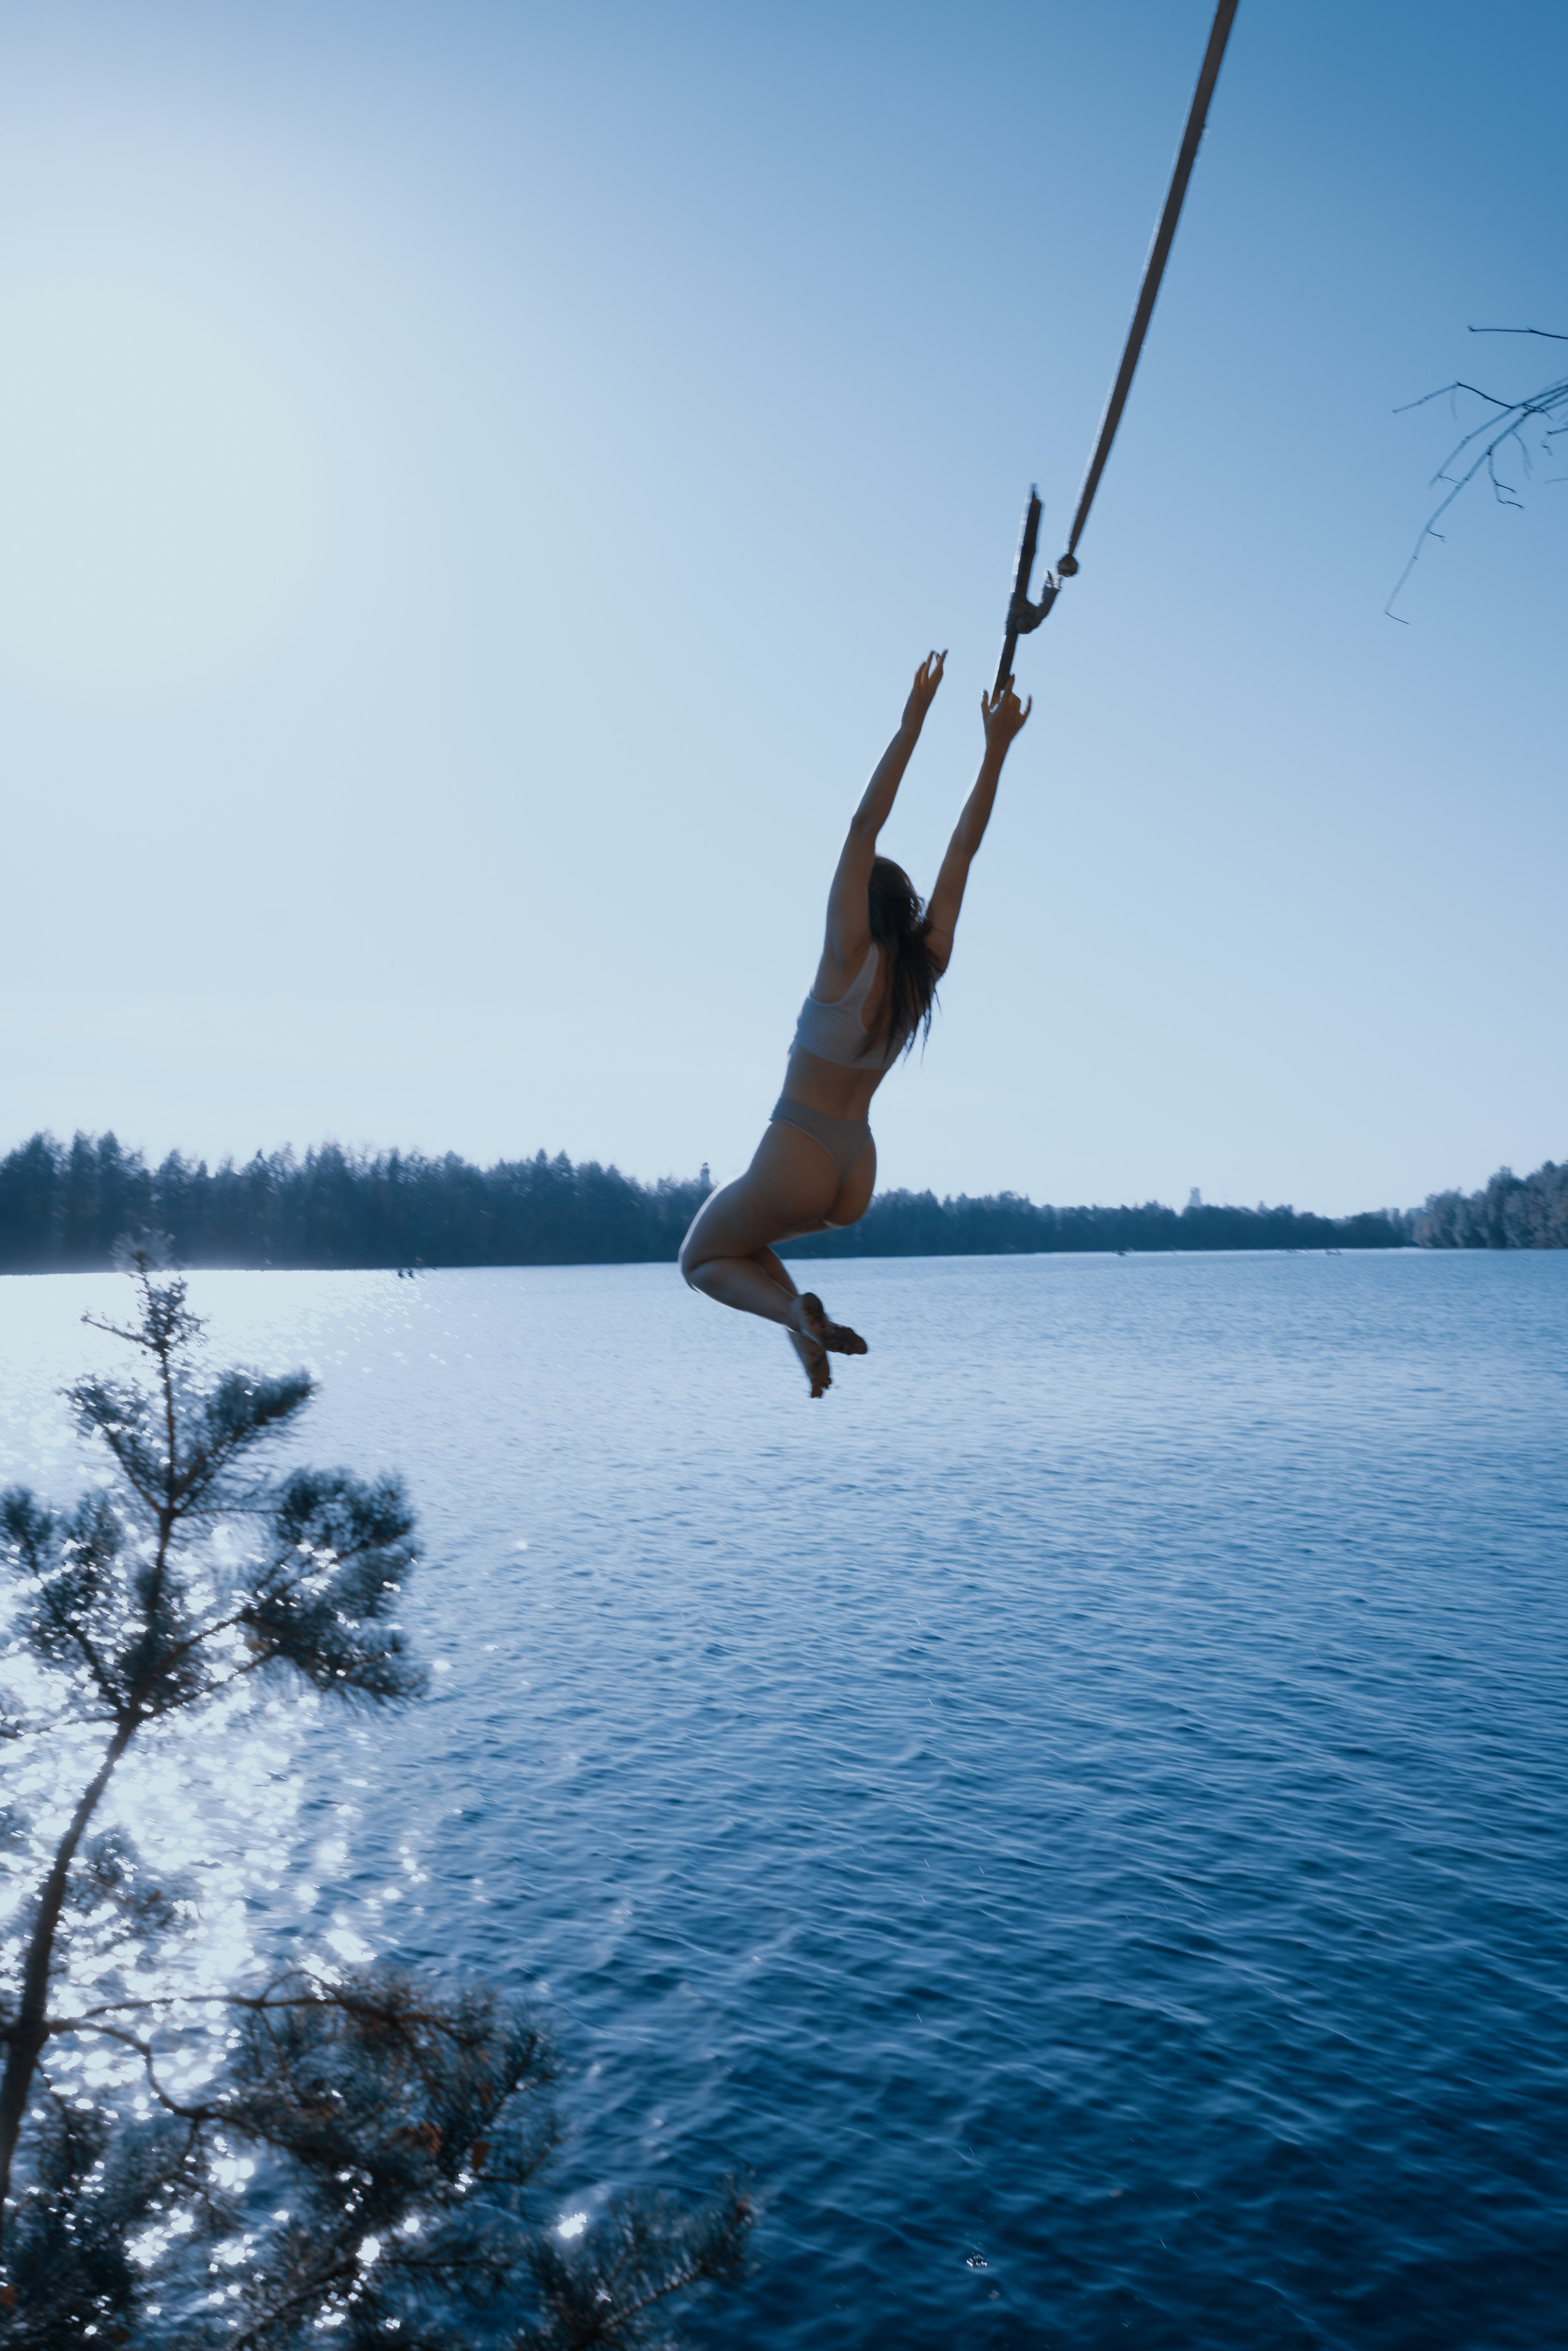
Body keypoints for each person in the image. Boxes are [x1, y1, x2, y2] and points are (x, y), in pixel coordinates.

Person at [679, 651, 1031, 1395]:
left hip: (797, 1148)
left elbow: (863, 822)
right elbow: (963, 848)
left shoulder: (848, 957)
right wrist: (995, 747)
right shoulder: (919, 972)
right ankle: (799, 1326)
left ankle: (797, 1320)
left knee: (700, 1260)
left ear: (858, 902)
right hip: (854, 1170)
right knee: (746, 1238)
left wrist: (914, 718)